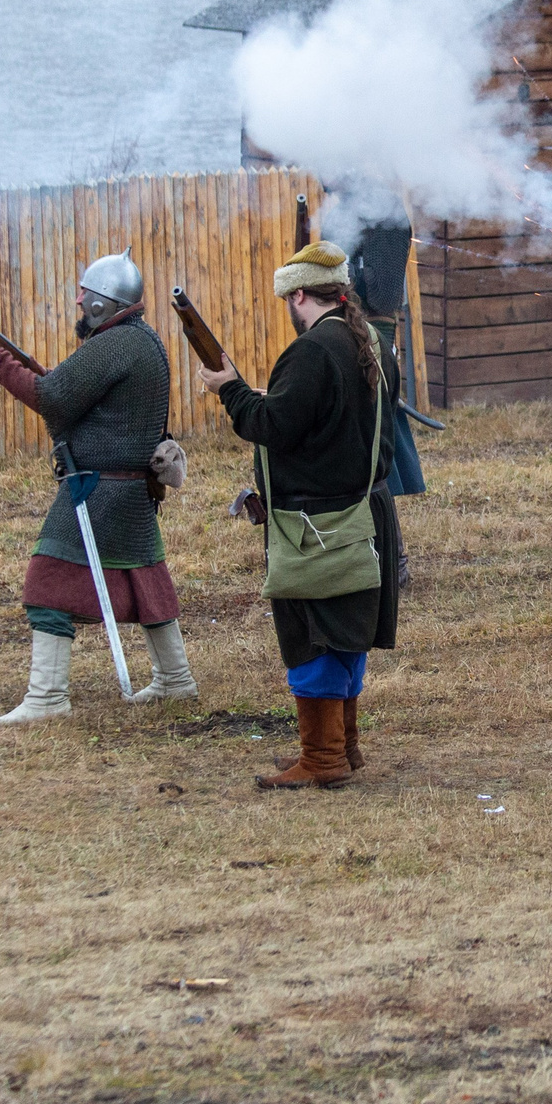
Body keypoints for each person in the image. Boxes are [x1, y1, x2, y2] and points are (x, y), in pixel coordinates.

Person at [198, 239, 402, 790]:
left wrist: (230, 390)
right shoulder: (374, 344)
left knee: (314, 637)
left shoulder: (312, 352)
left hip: (320, 524)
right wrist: (265, 394)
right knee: (344, 634)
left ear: (299, 296)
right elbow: (328, 416)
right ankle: (345, 747)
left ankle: (324, 758)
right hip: (362, 514)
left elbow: (274, 427)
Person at [0, 250, 194, 722]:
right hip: (127, 490)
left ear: (100, 305)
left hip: (100, 489)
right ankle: (176, 679)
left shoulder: (115, 345)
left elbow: (53, 398)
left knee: (46, 583)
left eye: (84, 297)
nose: (77, 301)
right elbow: (76, 396)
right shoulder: (141, 341)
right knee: (145, 578)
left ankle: (47, 699)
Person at [347, 197, 426, 587]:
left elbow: (380, 295)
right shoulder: (349, 205)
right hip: (348, 334)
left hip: (374, 338)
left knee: (377, 460)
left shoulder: (389, 218)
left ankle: (394, 561)